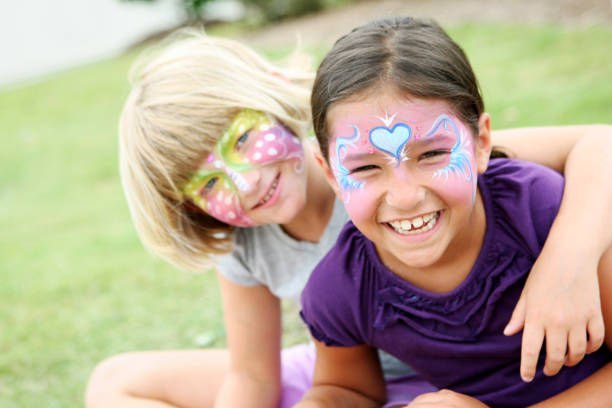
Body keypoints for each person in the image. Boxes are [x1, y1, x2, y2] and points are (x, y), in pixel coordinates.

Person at [85, 30, 612, 408]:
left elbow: (600, 143)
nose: (244, 181)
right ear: (332, 169)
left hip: (504, 378)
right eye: (208, 183)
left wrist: (567, 261)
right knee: (113, 381)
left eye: (242, 140)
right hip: (378, 376)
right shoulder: (313, 274)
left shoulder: (443, 163)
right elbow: (264, 378)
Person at [298, 16, 612, 407]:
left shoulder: (546, 213)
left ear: (481, 142)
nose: (406, 196)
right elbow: (346, 390)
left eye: (432, 154)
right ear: (329, 172)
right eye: (364, 167)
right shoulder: (340, 289)